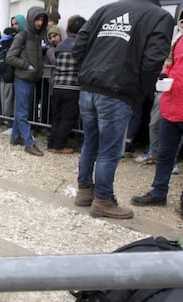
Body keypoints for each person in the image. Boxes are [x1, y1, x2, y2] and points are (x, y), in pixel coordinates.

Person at [72, 0, 174, 219]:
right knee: (109, 150)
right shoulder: (160, 16)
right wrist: (142, 92)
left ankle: (84, 191)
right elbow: (153, 60)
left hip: (89, 87)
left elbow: (78, 45)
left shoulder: (106, 9)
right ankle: (103, 200)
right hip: (117, 90)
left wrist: (89, 71)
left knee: (91, 142)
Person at [131, 16, 183, 218]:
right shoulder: (177, 41)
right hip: (171, 105)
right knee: (165, 155)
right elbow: (171, 66)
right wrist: (164, 76)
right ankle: (159, 192)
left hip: (175, 103)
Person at [7, 6, 48, 156]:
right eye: (37, 19)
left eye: (42, 19)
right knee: (23, 113)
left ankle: (16, 137)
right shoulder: (22, 36)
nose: (39, 22)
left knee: (21, 111)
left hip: (31, 79)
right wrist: (27, 66)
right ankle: (29, 143)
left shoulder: (37, 36)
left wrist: (37, 69)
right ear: (31, 19)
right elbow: (10, 57)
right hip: (23, 79)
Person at [48, 15, 86, 154]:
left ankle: (51, 143)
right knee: (67, 118)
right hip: (73, 86)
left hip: (57, 85)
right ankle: (59, 146)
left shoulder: (61, 44)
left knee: (56, 116)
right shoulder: (81, 45)